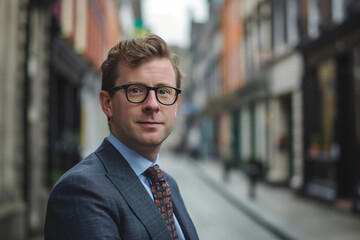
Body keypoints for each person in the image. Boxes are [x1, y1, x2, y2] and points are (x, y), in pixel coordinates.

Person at [45, 34, 199, 240]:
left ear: (175, 105)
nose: (153, 104)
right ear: (107, 104)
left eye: (163, 91)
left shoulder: (167, 185)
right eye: (135, 90)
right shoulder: (80, 191)